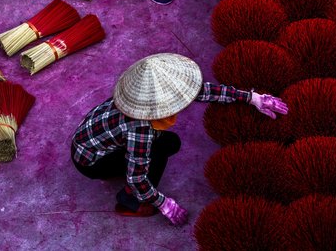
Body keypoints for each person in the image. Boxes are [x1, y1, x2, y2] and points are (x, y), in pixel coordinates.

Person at [70, 54, 288, 226]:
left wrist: (252, 98)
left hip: (91, 142)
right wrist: (164, 204)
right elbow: (137, 179)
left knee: (169, 142)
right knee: (162, 148)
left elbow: (204, 92)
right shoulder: (140, 129)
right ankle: (130, 200)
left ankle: (120, 169)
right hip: (90, 161)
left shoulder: (141, 95)